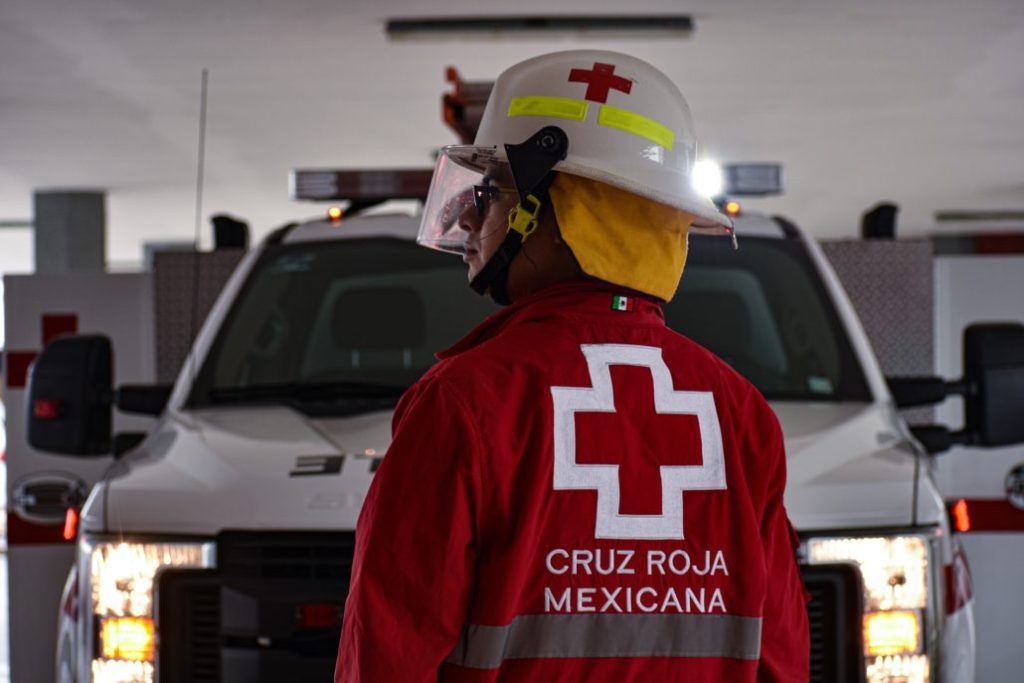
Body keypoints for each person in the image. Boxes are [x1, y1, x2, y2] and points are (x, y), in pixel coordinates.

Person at [335, 49, 809, 682]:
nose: (470, 217)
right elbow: (781, 655)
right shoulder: (739, 411)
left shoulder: (465, 402)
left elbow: (387, 654)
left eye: (493, 190)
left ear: (560, 215)